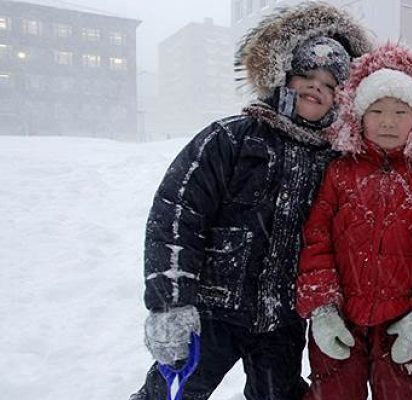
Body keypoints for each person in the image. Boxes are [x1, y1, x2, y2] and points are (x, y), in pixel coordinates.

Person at [130, 4, 372, 400]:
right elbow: (176, 215)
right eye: (306, 76)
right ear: (282, 76)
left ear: (341, 99)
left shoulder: (336, 161)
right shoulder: (231, 139)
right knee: (173, 392)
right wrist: (170, 302)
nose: (316, 88)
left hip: (282, 319)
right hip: (211, 312)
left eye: (330, 85)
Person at [294, 43, 412, 400]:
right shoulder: (339, 173)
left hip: (402, 321)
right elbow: (316, 239)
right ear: (359, 116)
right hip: (341, 318)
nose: (387, 121)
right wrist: (322, 307)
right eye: (377, 110)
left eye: (400, 111)